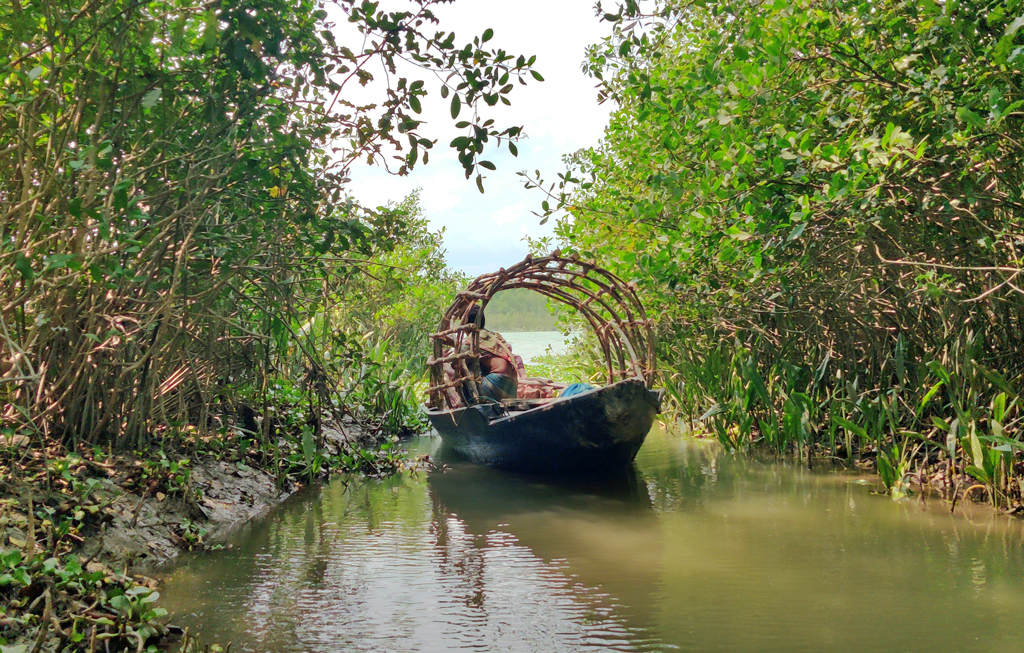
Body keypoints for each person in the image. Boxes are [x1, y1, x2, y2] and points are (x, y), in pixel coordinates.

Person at [461, 305, 519, 402]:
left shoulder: (471, 340)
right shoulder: (492, 335)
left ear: (466, 324)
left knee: (464, 370)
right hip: (512, 387)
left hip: (497, 385)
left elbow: (457, 365)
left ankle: (469, 404)